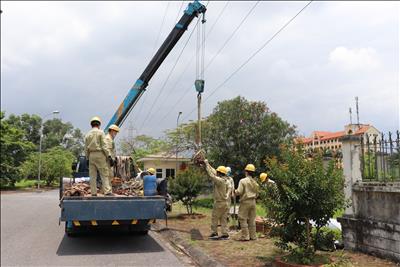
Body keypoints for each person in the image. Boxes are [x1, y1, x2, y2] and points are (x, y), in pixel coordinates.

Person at [84, 116, 113, 196]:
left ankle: (93, 193)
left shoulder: (87, 134)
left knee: (92, 175)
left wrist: (87, 158)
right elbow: (104, 146)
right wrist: (109, 156)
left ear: (91, 125)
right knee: (104, 173)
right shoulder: (101, 132)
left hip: (91, 155)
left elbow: (86, 148)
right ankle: (107, 191)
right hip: (100, 154)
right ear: (99, 124)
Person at [203, 159, 231, 239]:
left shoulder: (220, 181)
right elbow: (214, 171)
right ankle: (225, 234)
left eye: (218, 172)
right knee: (223, 219)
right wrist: (207, 164)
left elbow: (211, 175)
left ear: (219, 173)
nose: (216, 172)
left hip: (219, 203)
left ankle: (214, 233)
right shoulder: (227, 180)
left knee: (215, 217)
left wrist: (206, 165)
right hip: (225, 203)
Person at [235, 164, 260, 241]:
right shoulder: (255, 183)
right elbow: (257, 194)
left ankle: (245, 236)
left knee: (242, 218)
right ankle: (253, 236)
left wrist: (234, 191)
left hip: (245, 201)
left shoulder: (243, 181)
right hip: (253, 202)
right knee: (252, 219)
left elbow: (239, 191)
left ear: (246, 172)